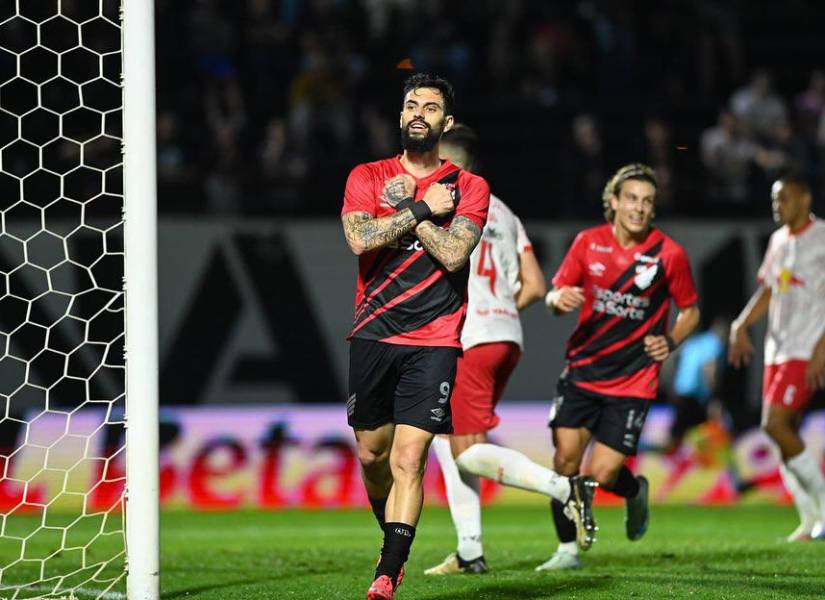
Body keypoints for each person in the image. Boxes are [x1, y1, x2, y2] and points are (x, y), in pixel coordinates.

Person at [341, 73, 490, 600]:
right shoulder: (368, 174)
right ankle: (393, 539)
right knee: (371, 455)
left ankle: (388, 572)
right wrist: (424, 208)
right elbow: (360, 239)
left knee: (410, 458)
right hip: (374, 332)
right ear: (401, 116)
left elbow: (454, 254)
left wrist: (412, 212)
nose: (419, 112)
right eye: (411, 104)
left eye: (430, 106)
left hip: (435, 338)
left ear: (445, 122)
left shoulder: (469, 187)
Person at [424, 125, 597, 576]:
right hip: (506, 336)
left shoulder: (446, 204)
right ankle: (469, 552)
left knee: (461, 450)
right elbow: (536, 285)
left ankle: (562, 488)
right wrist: (500, 307)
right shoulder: (503, 211)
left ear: (452, 162)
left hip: (470, 337)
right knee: (449, 441)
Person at [539, 163, 700, 570]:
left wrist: (672, 340)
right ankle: (566, 551)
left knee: (604, 474)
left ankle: (634, 492)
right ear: (613, 201)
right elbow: (555, 295)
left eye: (647, 201)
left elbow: (691, 312)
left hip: (632, 381)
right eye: (631, 199)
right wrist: (558, 302)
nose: (639, 208)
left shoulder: (669, 255)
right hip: (581, 373)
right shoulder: (587, 243)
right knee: (564, 464)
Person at [729, 175, 825, 541]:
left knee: (775, 425)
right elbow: (770, 289)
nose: (776, 205)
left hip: (805, 348)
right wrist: (741, 324)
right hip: (776, 350)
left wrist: (821, 348)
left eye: (783, 198)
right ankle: (808, 520)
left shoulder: (822, 238)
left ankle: (822, 508)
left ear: (805, 198)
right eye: (773, 199)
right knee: (785, 435)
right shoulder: (778, 241)